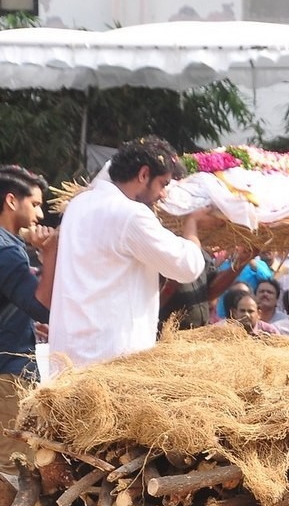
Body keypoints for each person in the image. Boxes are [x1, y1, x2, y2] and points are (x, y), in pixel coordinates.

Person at [48, 138, 209, 372]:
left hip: (69, 360)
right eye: (163, 184)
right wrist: (192, 226)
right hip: (111, 363)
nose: (163, 194)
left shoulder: (78, 204)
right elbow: (187, 267)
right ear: (143, 175)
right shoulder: (131, 215)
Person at [0, 165, 57, 474]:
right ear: (11, 201)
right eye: (34, 204)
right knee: (14, 466)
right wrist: (48, 254)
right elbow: (42, 308)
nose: (39, 215)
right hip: (8, 374)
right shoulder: (7, 250)